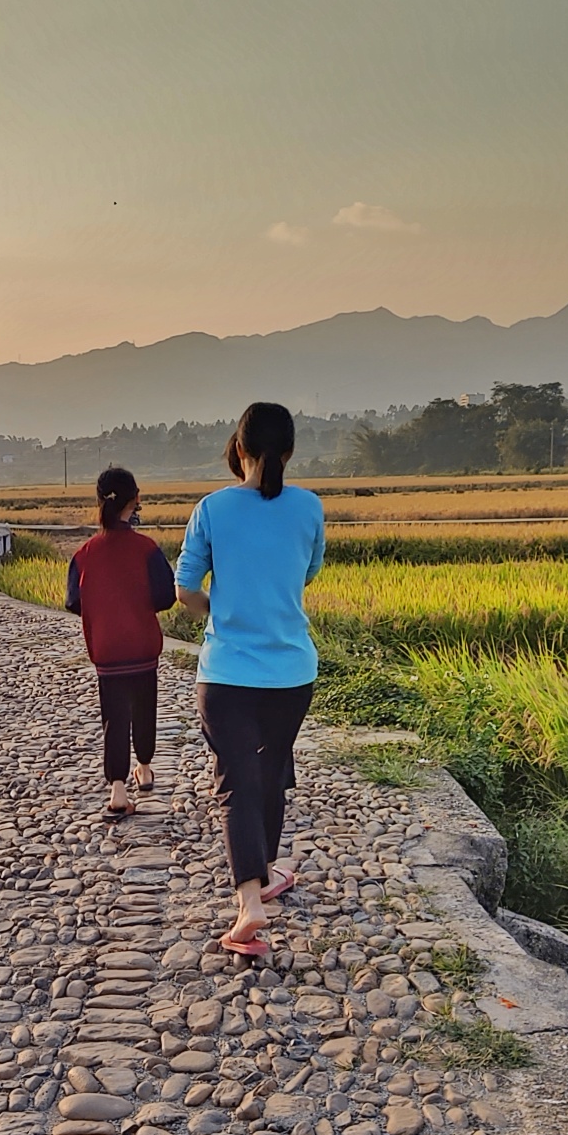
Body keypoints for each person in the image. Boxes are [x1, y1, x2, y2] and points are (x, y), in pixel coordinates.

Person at [175, 402, 324, 956]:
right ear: (287, 453)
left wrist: (217, 611)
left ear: (238, 449)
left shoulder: (212, 508)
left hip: (227, 674)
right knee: (272, 769)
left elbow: (183, 589)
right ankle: (264, 870)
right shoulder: (309, 507)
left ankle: (250, 905)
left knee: (237, 780)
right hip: (291, 672)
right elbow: (307, 571)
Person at [66, 466, 176, 822]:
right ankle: (144, 768)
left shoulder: (84, 553)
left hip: (107, 649)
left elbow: (73, 601)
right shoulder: (146, 548)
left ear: (100, 501)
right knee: (145, 707)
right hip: (142, 646)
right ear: (136, 500)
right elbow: (164, 597)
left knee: (114, 717)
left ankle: (117, 790)